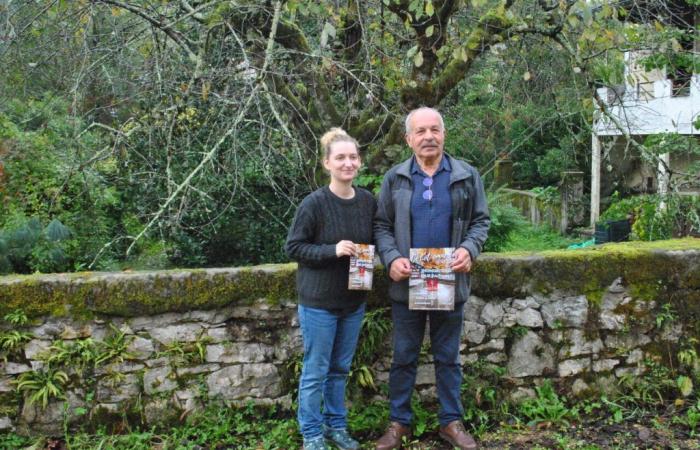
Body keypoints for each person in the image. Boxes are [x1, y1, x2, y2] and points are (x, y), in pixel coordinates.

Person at [374, 107, 490, 450]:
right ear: (409, 139)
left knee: (448, 357)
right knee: (404, 356)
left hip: (449, 283)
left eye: (434, 130)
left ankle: (451, 422)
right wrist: (391, 258)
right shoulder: (395, 178)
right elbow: (381, 224)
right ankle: (399, 424)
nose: (428, 137)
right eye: (420, 131)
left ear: (444, 134)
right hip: (406, 285)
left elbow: (481, 221)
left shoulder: (467, 175)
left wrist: (469, 249)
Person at [285, 128, 377, 450]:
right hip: (319, 303)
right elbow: (294, 247)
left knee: (340, 370)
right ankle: (311, 434)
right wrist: (332, 250)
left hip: (353, 302)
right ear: (327, 163)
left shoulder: (367, 201)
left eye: (353, 157)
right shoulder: (314, 204)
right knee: (316, 371)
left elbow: (379, 239)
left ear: (359, 161)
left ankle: (336, 427)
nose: (348, 163)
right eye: (340, 157)